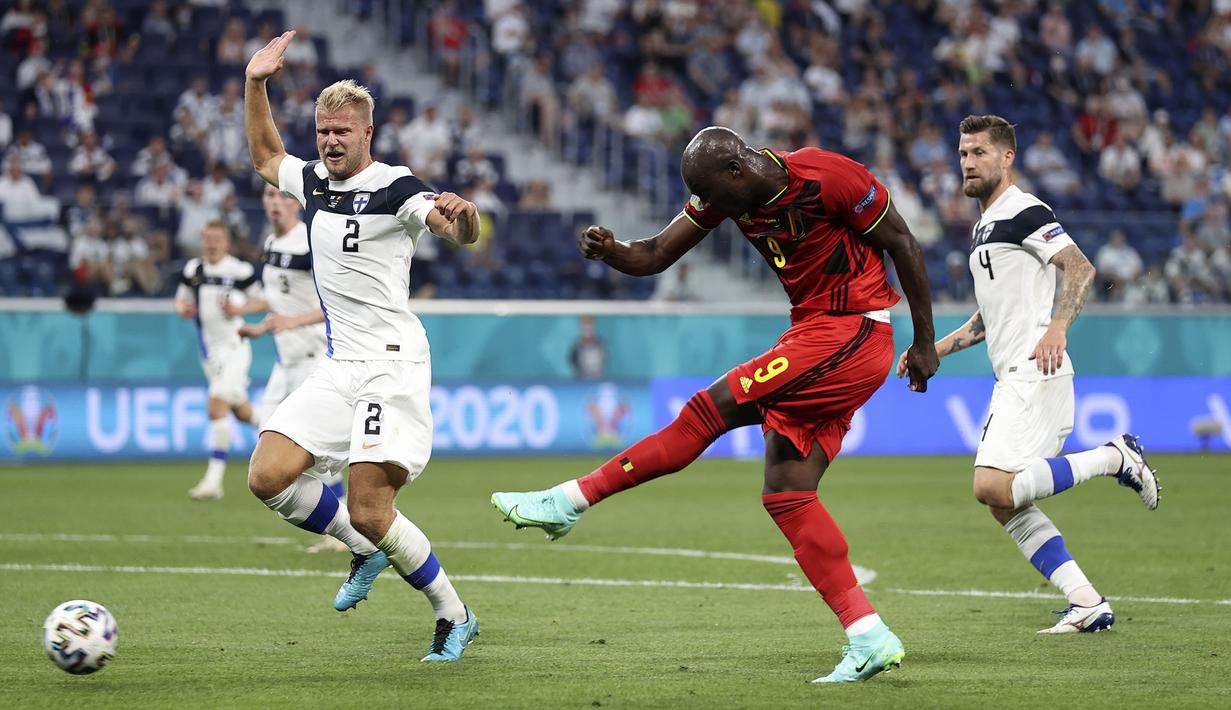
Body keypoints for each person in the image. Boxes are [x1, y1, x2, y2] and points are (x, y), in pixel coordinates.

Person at [492, 126, 940, 684]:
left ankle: (570, 500)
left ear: (738, 170)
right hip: (817, 335)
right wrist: (610, 251)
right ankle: (868, 635)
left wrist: (925, 340)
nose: (708, 206)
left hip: (850, 331)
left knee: (710, 409)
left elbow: (904, 243)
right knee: (788, 492)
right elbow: (655, 254)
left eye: (711, 193)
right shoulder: (724, 194)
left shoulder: (828, 176)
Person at [243, 31, 481, 662]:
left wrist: (466, 215)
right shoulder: (315, 183)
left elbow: (456, 231)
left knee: (372, 507)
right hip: (339, 366)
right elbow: (268, 157)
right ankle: (363, 548)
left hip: (392, 366)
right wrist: (256, 83)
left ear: (367, 132)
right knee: (267, 476)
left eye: (341, 132)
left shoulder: (396, 187)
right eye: (323, 131)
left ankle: (453, 614)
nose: (329, 142)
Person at [900, 115, 1160, 635]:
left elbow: (1080, 267)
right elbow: (989, 318)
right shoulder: (984, 225)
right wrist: (934, 348)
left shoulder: (1024, 210)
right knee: (1005, 502)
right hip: (1018, 372)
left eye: (979, 153)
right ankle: (1086, 602)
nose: (969, 162)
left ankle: (1114, 457)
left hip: (1035, 370)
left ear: (1007, 157)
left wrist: (1057, 327)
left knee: (990, 486)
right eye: (963, 153)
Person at [227, 184, 344, 553]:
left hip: (312, 357)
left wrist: (294, 322)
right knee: (268, 435)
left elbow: (334, 301)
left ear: (295, 203)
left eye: (282, 197)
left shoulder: (310, 242)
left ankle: (339, 528)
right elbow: (275, 298)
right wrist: (257, 323)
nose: (274, 203)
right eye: (268, 196)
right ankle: (336, 519)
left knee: (312, 449)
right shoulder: (271, 244)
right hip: (284, 361)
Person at [173, 221, 264, 500]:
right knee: (240, 411)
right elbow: (179, 302)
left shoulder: (239, 271)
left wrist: (240, 308)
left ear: (226, 242)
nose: (211, 244)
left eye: (217, 239)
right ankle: (282, 433)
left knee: (215, 407)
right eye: (207, 239)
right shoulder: (194, 270)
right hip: (209, 354)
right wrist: (184, 309)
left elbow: (263, 301)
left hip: (235, 347)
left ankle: (213, 482)